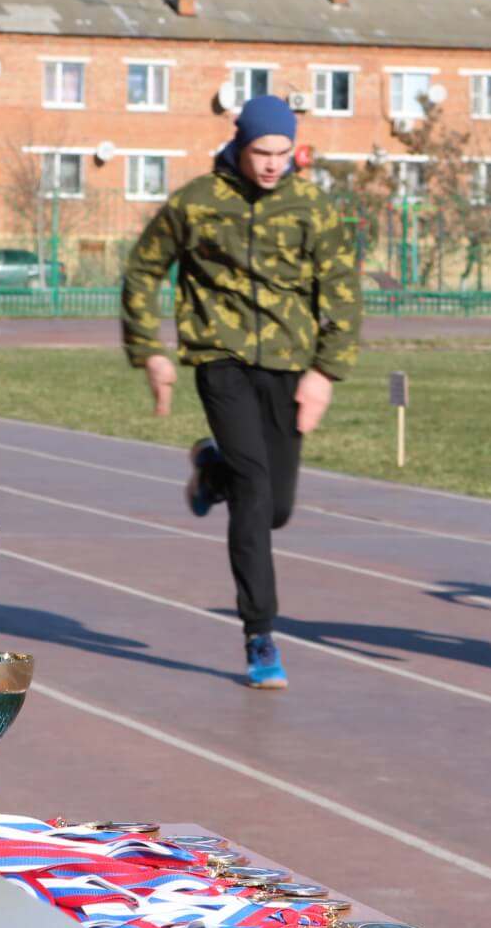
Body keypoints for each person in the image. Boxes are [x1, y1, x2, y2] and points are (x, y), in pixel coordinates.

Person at [120, 95, 361, 690]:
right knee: (256, 492)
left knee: (275, 508)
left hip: (288, 363)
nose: (273, 165)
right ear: (239, 144)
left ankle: (212, 468)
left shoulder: (312, 206)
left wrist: (326, 373)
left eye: (283, 153)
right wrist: (148, 349)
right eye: (262, 152)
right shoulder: (197, 203)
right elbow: (144, 270)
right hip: (219, 359)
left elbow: (343, 290)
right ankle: (260, 635)